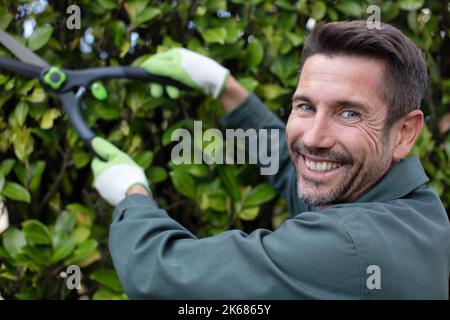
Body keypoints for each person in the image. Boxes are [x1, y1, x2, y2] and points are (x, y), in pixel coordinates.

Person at [90, 21, 450, 299]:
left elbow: (165, 276)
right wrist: (224, 87)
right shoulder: (412, 214)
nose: (313, 137)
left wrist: (132, 194)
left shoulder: (348, 246)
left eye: (350, 114)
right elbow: (298, 173)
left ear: (404, 132)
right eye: (305, 106)